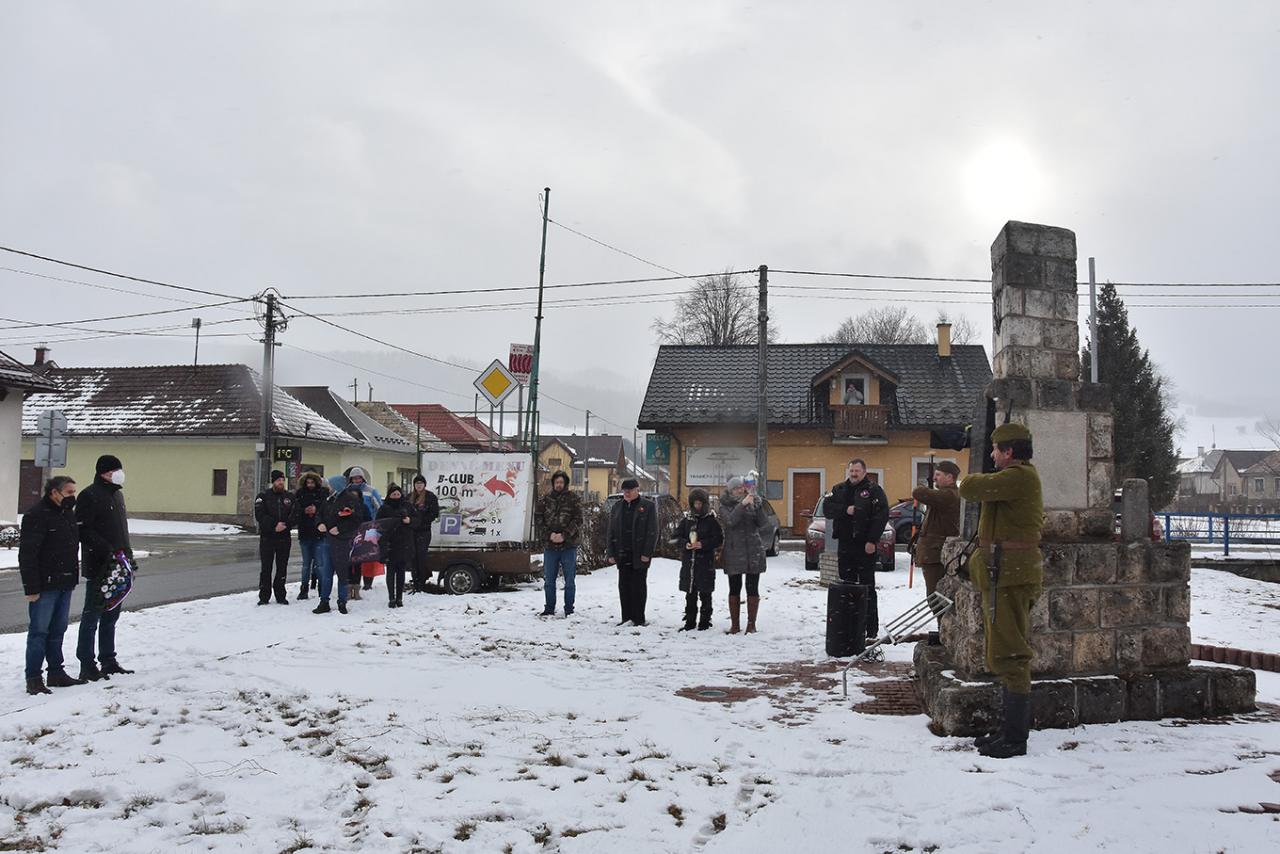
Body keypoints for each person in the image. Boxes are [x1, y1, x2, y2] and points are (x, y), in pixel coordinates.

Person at [958, 423, 1044, 759]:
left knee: (1012, 654)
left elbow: (970, 487)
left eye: (995, 449)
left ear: (1009, 452)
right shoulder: (1012, 479)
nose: (992, 454)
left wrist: (970, 478)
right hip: (1004, 575)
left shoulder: (1019, 477)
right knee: (1002, 651)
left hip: (1011, 576)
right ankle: (1006, 730)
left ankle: (1015, 738)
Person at [19, 476, 85, 695]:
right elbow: (28, 555)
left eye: (74, 492)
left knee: (58, 630)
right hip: (44, 586)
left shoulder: (67, 514)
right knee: (39, 632)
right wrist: (31, 588)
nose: (73, 496)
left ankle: (56, 673)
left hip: (65, 582)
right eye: (69, 492)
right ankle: (33, 678)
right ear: (54, 492)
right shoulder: (36, 515)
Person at [75, 454, 135, 681]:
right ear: (104, 473)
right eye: (114, 470)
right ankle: (87, 663)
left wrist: (127, 556)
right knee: (92, 617)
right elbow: (83, 530)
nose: (119, 474)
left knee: (111, 616)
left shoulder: (117, 495)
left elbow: (121, 529)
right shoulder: (89, 495)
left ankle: (108, 660)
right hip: (100, 566)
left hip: (119, 566)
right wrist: (107, 550)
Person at [822, 458, 889, 640]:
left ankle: (870, 629)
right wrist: (846, 510)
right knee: (846, 586)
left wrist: (872, 540)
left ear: (864, 472)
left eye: (857, 471)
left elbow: (881, 516)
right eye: (851, 471)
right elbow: (827, 509)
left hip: (865, 545)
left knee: (867, 587)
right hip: (845, 545)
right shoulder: (839, 489)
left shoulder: (874, 491)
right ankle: (848, 626)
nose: (854, 474)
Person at [911, 460, 963, 644]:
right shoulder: (945, 494)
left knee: (936, 596)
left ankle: (945, 632)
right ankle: (944, 631)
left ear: (950, 477)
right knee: (936, 596)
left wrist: (924, 486)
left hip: (935, 554)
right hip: (933, 552)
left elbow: (918, 493)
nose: (935, 478)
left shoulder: (948, 495)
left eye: (938, 475)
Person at [717, 476, 768, 634]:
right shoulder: (724, 506)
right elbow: (730, 521)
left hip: (753, 551)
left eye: (741, 487)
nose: (740, 490)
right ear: (731, 491)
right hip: (734, 552)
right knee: (735, 588)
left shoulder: (752, 502)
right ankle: (735, 625)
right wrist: (742, 505)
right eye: (737, 488)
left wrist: (757, 505)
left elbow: (763, 523)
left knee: (752, 588)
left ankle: (751, 624)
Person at [606, 478, 657, 627]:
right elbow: (611, 531)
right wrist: (611, 553)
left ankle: (639, 618)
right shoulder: (617, 507)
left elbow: (652, 532)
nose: (627, 494)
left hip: (639, 554)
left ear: (637, 490)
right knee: (624, 586)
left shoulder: (648, 506)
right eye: (625, 491)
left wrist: (647, 553)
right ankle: (626, 617)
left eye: (630, 491)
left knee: (638, 586)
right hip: (622, 553)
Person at [317, 473, 370, 615]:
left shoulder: (350, 499)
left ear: (337, 485)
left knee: (342, 573)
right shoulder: (328, 499)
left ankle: (342, 601)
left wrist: (340, 528)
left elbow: (356, 519)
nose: (328, 487)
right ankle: (324, 601)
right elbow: (320, 514)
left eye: (330, 485)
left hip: (342, 540)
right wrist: (320, 523)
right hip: (327, 539)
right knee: (326, 572)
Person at [672, 488, 723, 632]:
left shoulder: (711, 521)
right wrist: (685, 544)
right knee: (690, 594)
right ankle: (690, 621)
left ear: (704, 504)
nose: (697, 506)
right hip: (689, 564)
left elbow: (718, 539)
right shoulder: (686, 521)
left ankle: (705, 621)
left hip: (705, 564)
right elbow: (674, 538)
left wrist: (703, 544)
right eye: (695, 504)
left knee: (705, 594)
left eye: (700, 504)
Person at [535, 470, 582, 617]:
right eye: (557, 482)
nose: (559, 485)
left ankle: (569, 609)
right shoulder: (545, 500)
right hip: (550, 547)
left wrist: (564, 535)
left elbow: (578, 520)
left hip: (568, 546)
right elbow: (538, 520)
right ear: (553, 483)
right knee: (549, 580)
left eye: (561, 482)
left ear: (565, 483)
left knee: (569, 581)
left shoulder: (573, 499)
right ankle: (549, 608)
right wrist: (550, 535)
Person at [254, 469, 296, 606]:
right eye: (278, 480)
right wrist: (273, 525)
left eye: (283, 480)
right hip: (268, 538)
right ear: (273, 482)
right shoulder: (263, 496)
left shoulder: (289, 497)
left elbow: (295, 514)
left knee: (282, 567)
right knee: (266, 568)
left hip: (284, 537)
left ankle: (280, 595)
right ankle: (264, 595)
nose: (281, 483)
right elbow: (260, 515)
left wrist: (286, 525)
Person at [376, 484, 415, 608]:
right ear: (389, 495)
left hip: (404, 543)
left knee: (401, 572)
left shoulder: (407, 506)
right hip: (389, 543)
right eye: (394, 494)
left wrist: (409, 521)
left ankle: (399, 597)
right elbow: (378, 524)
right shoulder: (384, 508)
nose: (396, 496)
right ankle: (391, 598)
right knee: (391, 572)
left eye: (398, 494)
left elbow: (416, 520)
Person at [293, 471, 331, 600]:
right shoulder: (299, 494)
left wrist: (317, 510)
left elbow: (326, 510)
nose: (310, 485)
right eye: (308, 482)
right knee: (306, 564)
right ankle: (304, 589)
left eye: (312, 482)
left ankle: (322, 588)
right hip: (305, 532)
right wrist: (304, 511)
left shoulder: (322, 494)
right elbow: (295, 511)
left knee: (320, 564)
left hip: (318, 533)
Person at [408, 474, 440, 593]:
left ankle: (421, 581)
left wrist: (421, 521)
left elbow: (434, 513)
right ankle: (415, 580)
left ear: (424, 485)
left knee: (421, 556)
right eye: (417, 483)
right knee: (413, 557)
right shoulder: (409, 497)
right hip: (412, 531)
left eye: (421, 483)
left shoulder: (430, 497)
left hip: (424, 531)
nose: (419, 485)